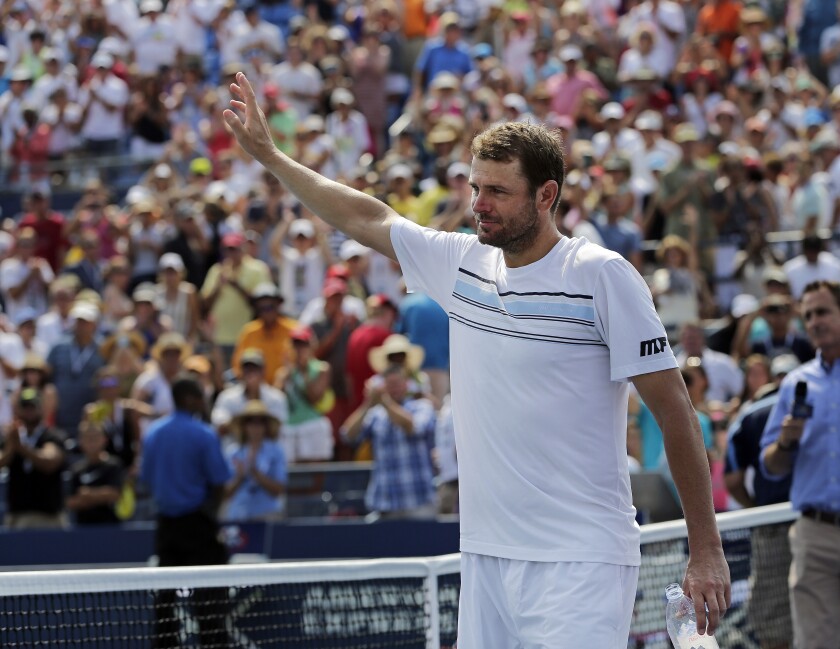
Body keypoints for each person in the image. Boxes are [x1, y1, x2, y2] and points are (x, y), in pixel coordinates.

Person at [223, 74, 730, 646]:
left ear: (547, 195)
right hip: (485, 559)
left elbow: (674, 409)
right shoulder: (461, 263)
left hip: (582, 561)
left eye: (498, 192)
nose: (480, 206)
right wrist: (270, 156)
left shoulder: (601, 274)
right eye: (475, 187)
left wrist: (705, 550)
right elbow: (367, 217)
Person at [761, 280, 840, 649]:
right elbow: (770, 467)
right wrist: (786, 441)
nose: (814, 322)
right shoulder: (794, 385)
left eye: (822, 311)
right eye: (807, 315)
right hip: (816, 536)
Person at [140, 375, 230, 649]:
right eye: (200, 396)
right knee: (210, 600)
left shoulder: (153, 433)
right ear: (189, 399)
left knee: (165, 599)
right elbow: (220, 480)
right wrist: (209, 512)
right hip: (198, 526)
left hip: (166, 528)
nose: (203, 402)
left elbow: (146, 479)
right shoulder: (203, 434)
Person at [725, 353, 798, 649]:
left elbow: (732, 480)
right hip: (822, 522)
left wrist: (757, 509)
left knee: (773, 626)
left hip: (771, 528)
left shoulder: (749, 415)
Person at [342, 364, 437, 519]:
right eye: (390, 385)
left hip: (417, 500)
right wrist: (368, 403)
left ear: (406, 384)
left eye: (397, 384)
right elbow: (347, 435)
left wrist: (384, 401)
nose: (394, 389)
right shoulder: (376, 413)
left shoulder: (421, 407)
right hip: (385, 503)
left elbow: (412, 427)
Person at [0, 388, 66, 528]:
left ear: (41, 408)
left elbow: (50, 462)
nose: (29, 411)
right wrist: (11, 448)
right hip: (15, 516)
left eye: (33, 406)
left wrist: (21, 448)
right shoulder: (12, 437)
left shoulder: (53, 435)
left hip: (46, 517)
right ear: (18, 410)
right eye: (25, 406)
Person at [223, 400, 288, 522]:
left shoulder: (276, 451)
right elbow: (225, 493)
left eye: (260, 422)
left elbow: (279, 489)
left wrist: (256, 474)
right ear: (244, 426)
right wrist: (240, 477)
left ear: (266, 426)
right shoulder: (233, 453)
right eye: (250, 422)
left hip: (267, 514)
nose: (255, 427)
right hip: (238, 514)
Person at [66, 419, 125, 525]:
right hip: (83, 529)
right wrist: (100, 497)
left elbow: (115, 494)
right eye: (88, 438)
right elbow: (70, 502)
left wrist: (89, 495)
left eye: (95, 437)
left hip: (110, 527)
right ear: (81, 441)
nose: (91, 442)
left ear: (104, 439)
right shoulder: (76, 469)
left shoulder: (113, 465)